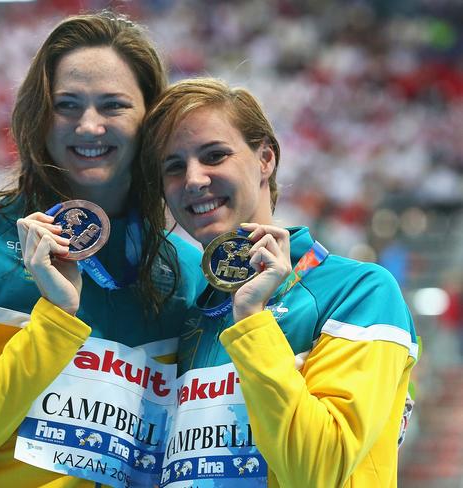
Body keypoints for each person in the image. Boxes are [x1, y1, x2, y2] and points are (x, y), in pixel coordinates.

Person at [0, 12, 205, 487]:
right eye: (66, 105)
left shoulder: (187, 274)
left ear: (151, 122)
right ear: (38, 116)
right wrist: (54, 323)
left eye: (113, 106)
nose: (88, 126)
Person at [137, 78, 419, 487]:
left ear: (265, 158)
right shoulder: (191, 316)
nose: (194, 179)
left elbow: (319, 471)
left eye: (214, 155)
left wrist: (252, 321)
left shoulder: (359, 290)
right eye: (174, 166)